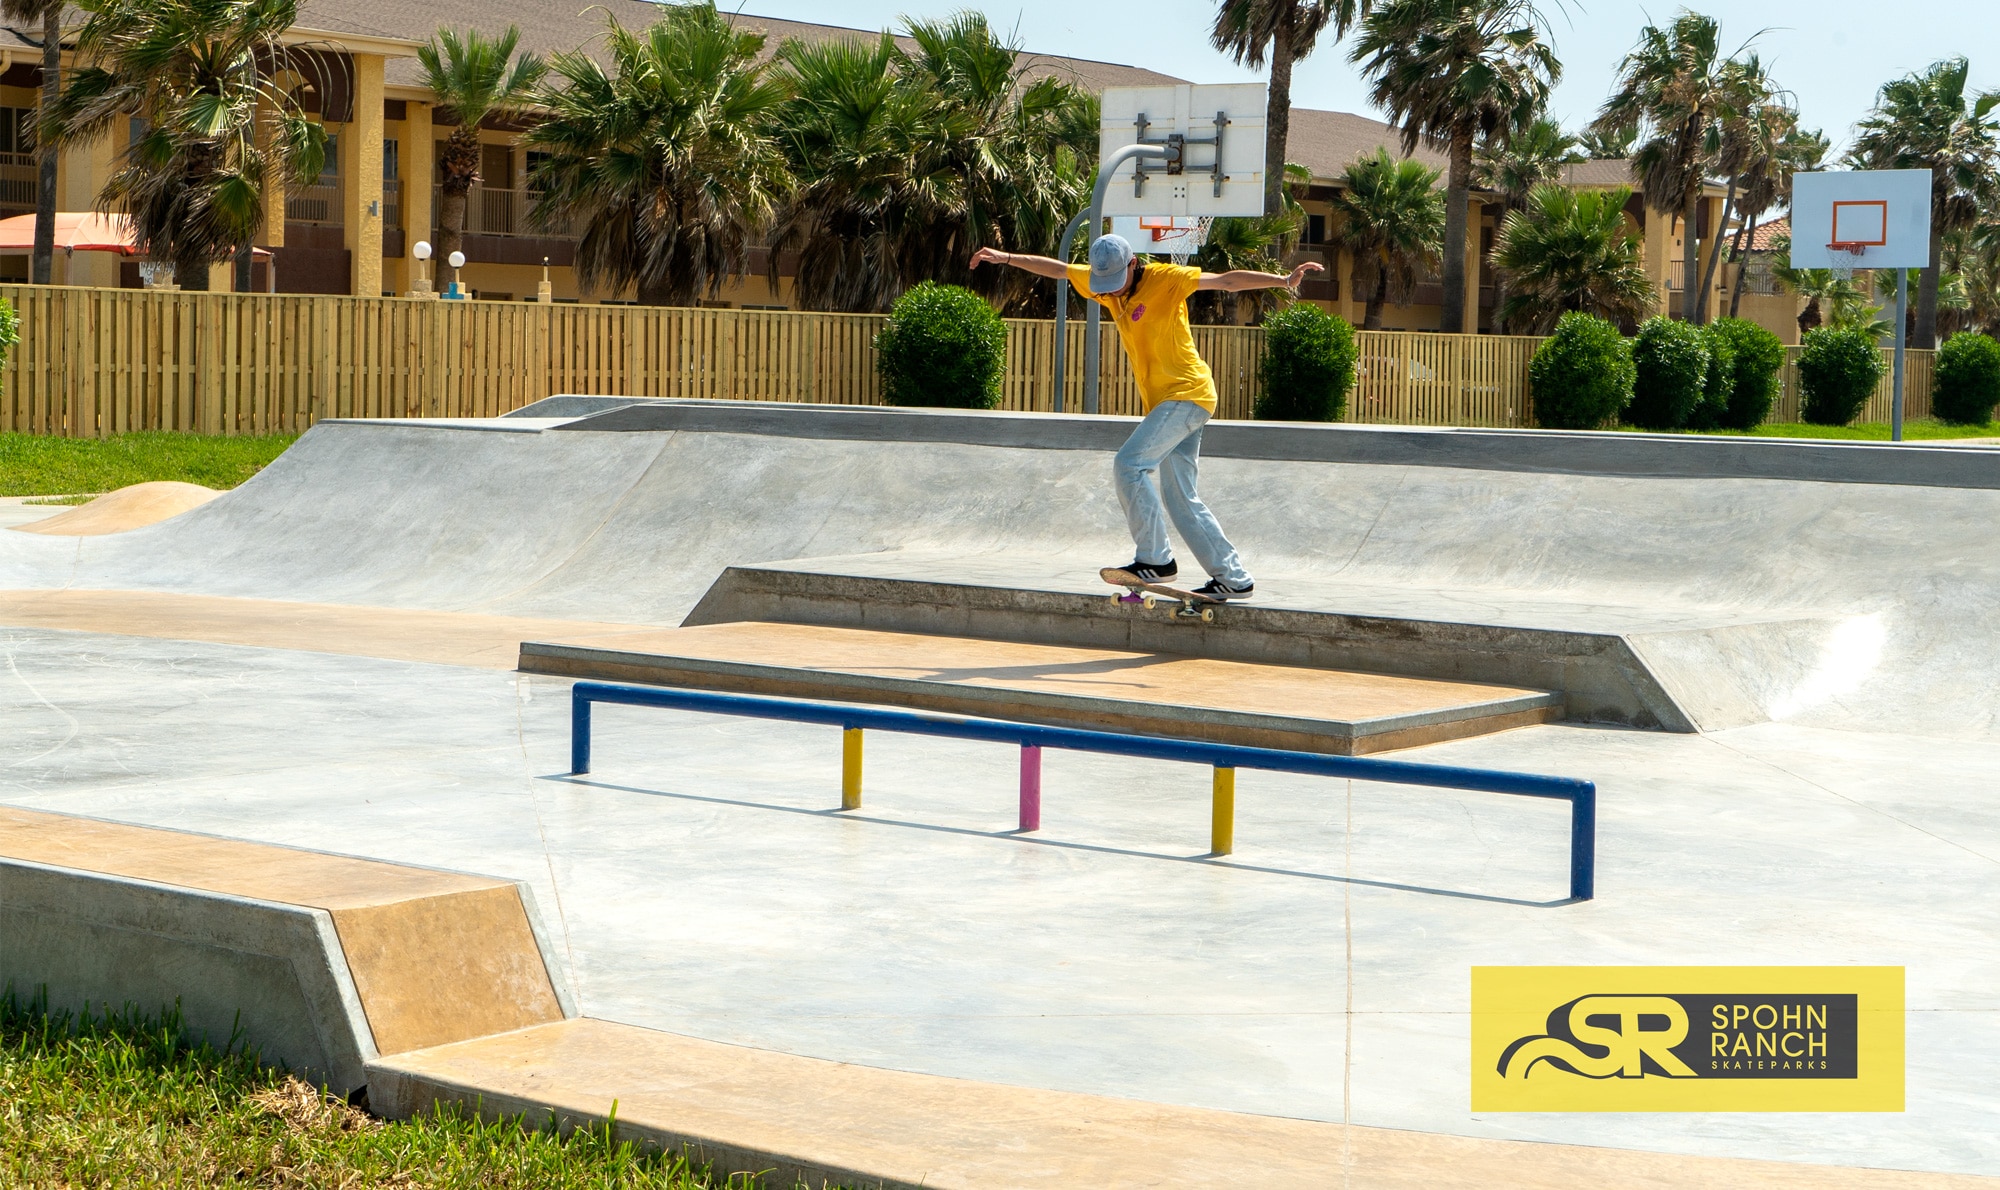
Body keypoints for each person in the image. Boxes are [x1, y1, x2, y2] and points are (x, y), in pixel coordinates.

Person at [972, 234, 1322, 600]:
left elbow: (1225, 281)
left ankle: (1155, 558)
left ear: (1134, 265)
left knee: (1129, 465)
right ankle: (1233, 577)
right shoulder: (1102, 285)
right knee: (1181, 497)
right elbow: (1058, 270)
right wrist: (1007, 256)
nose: (1109, 293)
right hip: (1168, 404)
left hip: (1187, 393)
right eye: (1102, 286)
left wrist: (1283, 281)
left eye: (1116, 283)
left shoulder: (1166, 279)